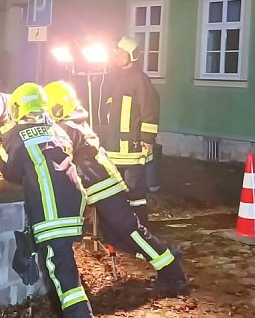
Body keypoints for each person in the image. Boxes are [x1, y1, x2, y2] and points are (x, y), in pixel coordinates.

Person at [44, 80, 189, 296]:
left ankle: (173, 272)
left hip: (104, 188)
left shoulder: (67, 128)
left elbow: (60, 160)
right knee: (115, 237)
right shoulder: (73, 123)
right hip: (102, 187)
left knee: (132, 233)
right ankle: (164, 255)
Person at [0, 83, 93, 318]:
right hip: (73, 200)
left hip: (51, 209)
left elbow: (7, 170)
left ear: (19, 107)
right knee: (64, 261)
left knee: (61, 269)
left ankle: (80, 314)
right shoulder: (58, 129)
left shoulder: (14, 134)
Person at [98, 37, 159, 224]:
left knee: (134, 191)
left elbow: (150, 109)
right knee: (114, 188)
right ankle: (120, 225)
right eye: (115, 52)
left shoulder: (140, 79)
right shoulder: (112, 78)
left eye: (121, 52)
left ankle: (139, 227)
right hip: (112, 145)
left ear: (131, 55)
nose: (116, 55)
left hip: (132, 147)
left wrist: (147, 139)